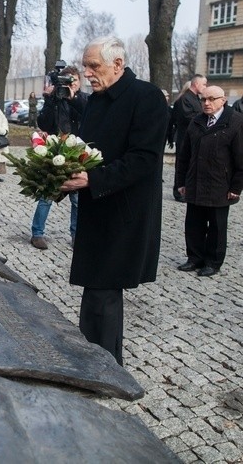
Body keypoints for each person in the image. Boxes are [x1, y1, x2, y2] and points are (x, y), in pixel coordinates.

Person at [60, 36, 168, 365]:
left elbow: (144, 158)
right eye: (85, 66)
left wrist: (94, 179)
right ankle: (100, 359)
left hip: (125, 211)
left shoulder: (147, 97)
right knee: (96, 287)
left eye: (94, 66)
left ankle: (101, 366)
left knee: (103, 290)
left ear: (118, 64)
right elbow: (88, 151)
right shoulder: (97, 100)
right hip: (97, 206)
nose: (88, 73)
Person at [175, 86, 243, 277]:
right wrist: (181, 182)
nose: (206, 103)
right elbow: (184, 156)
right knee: (193, 224)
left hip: (220, 183)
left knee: (217, 226)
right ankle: (194, 258)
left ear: (223, 100)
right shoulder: (196, 121)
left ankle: (213, 261)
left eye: (211, 99)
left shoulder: (236, 122)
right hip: (195, 181)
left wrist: (236, 187)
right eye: (203, 99)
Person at [30, 65, 87, 250]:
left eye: (74, 81)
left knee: (77, 199)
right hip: (57, 150)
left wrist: (73, 98)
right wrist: (48, 98)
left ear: (79, 82)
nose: (71, 84)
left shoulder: (84, 99)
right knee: (48, 194)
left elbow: (88, 114)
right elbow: (43, 123)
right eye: (67, 81)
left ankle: (77, 235)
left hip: (78, 152)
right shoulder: (55, 99)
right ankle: (37, 233)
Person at [170, 74, 207, 201]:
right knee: (182, 164)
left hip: (195, 138)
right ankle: (179, 192)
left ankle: (187, 191)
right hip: (185, 137)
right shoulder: (185, 99)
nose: (205, 87)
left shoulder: (196, 99)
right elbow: (188, 117)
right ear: (196, 84)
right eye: (204, 84)